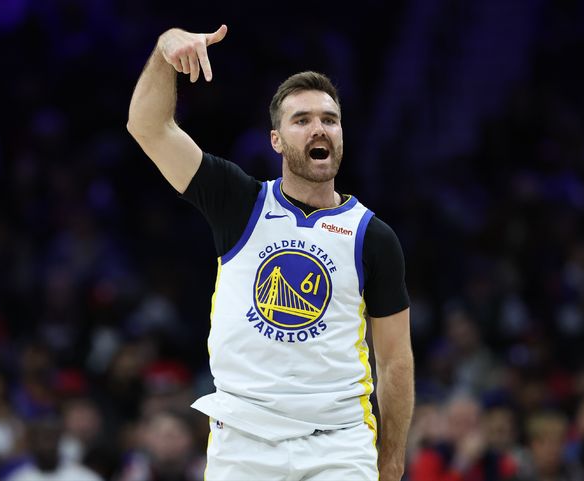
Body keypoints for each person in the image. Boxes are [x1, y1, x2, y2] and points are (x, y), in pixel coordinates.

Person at [127, 24, 414, 481]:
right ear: (276, 140)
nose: (318, 128)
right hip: (244, 440)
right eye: (302, 120)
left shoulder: (373, 236)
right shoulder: (239, 202)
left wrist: (393, 458)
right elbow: (148, 127)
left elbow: (395, 360)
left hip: (338, 443)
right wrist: (166, 49)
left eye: (329, 119)